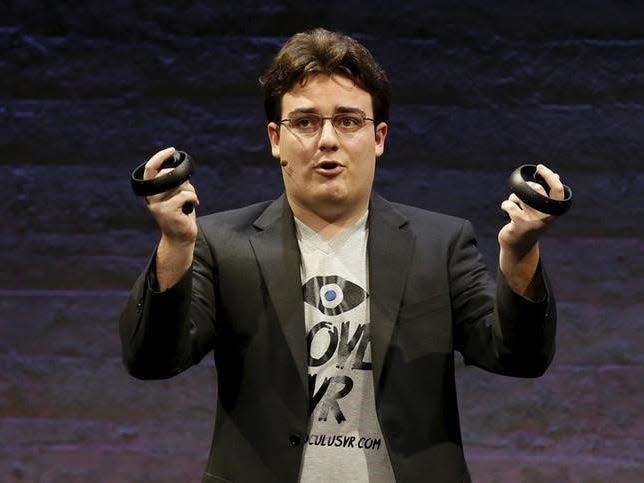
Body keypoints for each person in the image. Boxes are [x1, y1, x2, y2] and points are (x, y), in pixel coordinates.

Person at [119, 28, 563, 483]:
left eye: (349, 121)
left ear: (379, 137)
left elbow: (518, 357)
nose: (327, 139)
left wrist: (520, 252)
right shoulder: (222, 241)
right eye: (306, 122)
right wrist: (175, 244)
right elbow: (152, 360)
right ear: (276, 139)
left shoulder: (440, 244)